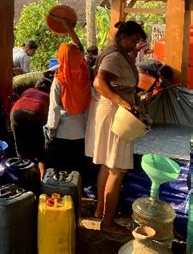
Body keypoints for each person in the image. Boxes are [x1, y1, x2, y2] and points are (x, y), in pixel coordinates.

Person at [85, 21, 147, 234]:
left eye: (137, 41)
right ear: (122, 36)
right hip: (115, 115)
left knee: (107, 165)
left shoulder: (117, 54)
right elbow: (99, 83)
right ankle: (108, 222)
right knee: (117, 169)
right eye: (132, 39)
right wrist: (123, 102)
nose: (134, 44)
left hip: (110, 111)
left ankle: (100, 212)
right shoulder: (113, 56)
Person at [44, 42, 91, 174]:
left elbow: (54, 109)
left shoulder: (60, 80)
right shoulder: (85, 77)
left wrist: (50, 131)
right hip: (82, 132)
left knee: (60, 172)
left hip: (63, 133)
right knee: (77, 172)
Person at [10, 78, 51, 177]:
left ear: (36, 87)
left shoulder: (28, 90)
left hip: (16, 113)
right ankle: (42, 179)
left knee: (21, 148)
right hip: (37, 114)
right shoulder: (48, 96)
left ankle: (22, 176)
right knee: (42, 150)